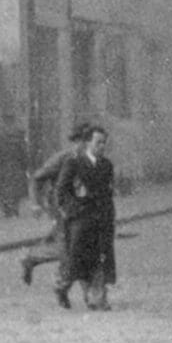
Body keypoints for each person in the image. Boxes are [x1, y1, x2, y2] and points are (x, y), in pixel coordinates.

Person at [54, 124, 117, 311]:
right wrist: (73, 211)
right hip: (80, 221)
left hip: (101, 220)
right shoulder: (74, 163)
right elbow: (61, 191)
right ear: (88, 142)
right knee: (76, 262)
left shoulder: (106, 165)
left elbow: (108, 192)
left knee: (100, 259)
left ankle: (97, 299)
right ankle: (61, 287)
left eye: (104, 143)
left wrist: (109, 216)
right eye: (98, 142)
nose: (102, 146)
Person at [20, 123, 91, 286]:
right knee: (72, 245)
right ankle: (68, 283)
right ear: (78, 141)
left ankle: (33, 259)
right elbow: (37, 179)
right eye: (85, 141)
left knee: (73, 243)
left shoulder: (93, 160)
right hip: (61, 207)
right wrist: (35, 204)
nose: (88, 145)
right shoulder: (63, 158)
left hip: (82, 208)